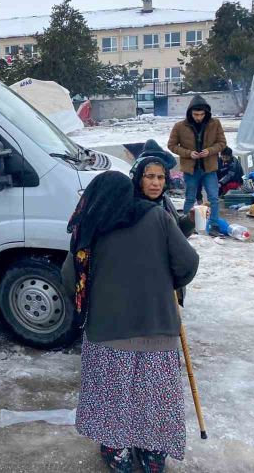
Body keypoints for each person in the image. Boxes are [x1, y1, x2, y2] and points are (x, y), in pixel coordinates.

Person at [61, 171, 199, 473]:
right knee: (153, 397)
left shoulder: (89, 228)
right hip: (158, 329)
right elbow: (188, 262)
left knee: (114, 400)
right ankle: (152, 454)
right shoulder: (158, 218)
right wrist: (164, 282)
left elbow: (70, 277)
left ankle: (117, 450)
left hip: (107, 334)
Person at [167, 94, 227, 233]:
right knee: (190, 198)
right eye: (196, 114)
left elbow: (222, 143)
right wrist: (188, 153)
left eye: (201, 114)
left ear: (206, 113)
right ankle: (187, 226)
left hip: (209, 168)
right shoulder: (179, 126)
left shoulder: (215, 123)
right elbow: (171, 145)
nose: (199, 117)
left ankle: (214, 225)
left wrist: (210, 151)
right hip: (190, 169)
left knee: (213, 198)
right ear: (190, 113)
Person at [129, 140, 195, 238]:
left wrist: (190, 220)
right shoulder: (129, 208)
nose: (156, 183)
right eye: (150, 176)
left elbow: (178, 232)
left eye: (160, 177)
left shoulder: (164, 200)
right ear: (139, 178)